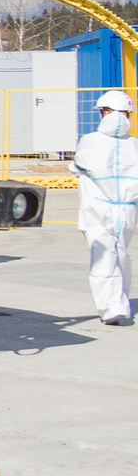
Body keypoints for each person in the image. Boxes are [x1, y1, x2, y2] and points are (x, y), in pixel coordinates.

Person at [75, 89, 138, 325]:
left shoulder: (90, 141)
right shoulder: (135, 145)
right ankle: (120, 303)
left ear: (104, 112)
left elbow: (78, 165)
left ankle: (111, 308)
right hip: (127, 210)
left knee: (103, 258)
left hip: (97, 209)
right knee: (121, 255)